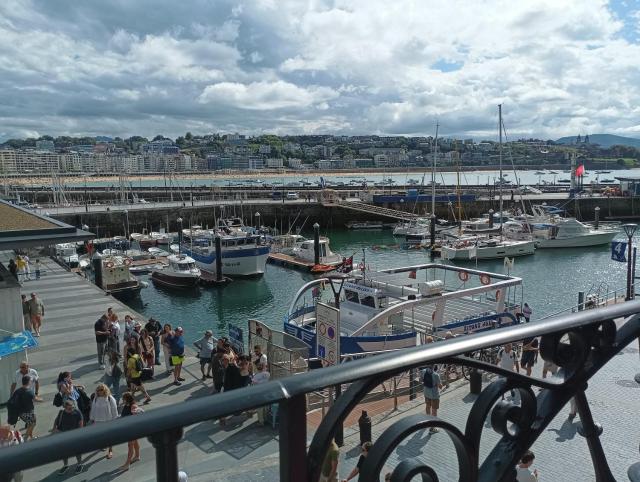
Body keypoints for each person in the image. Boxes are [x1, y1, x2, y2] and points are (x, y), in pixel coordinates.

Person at [53, 400, 84, 475]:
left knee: (77, 451)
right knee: (64, 452)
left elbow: (81, 423)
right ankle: (66, 465)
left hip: (74, 436)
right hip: (63, 436)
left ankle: (79, 464)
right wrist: (54, 429)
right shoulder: (61, 413)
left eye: (72, 407)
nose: (71, 409)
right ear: (65, 408)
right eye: (69, 408)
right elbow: (56, 421)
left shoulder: (77, 412)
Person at [90, 383, 119, 459]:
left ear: (105, 390)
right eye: (98, 390)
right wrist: (92, 418)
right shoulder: (96, 398)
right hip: (98, 420)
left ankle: (110, 450)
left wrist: (114, 420)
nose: (99, 391)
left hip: (108, 420)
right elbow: (93, 409)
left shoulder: (110, 398)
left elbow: (114, 409)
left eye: (101, 390)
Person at [119, 392, 143, 471]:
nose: (122, 400)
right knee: (135, 442)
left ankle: (127, 464)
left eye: (123, 399)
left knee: (130, 446)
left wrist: (135, 411)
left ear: (127, 399)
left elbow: (136, 413)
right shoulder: (127, 405)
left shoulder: (133, 406)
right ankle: (137, 456)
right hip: (129, 427)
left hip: (132, 429)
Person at [12, 376, 36, 440]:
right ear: (28, 382)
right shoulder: (29, 391)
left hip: (20, 412)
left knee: (29, 424)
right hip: (28, 411)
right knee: (32, 424)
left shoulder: (17, 391)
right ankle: (25, 439)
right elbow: (35, 399)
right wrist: (41, 399)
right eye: (31, 381)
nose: (31, 382)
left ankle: (31, 436)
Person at [422, 365, 443, 433]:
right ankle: (432, 428)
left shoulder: (423, 371)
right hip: (434, 395)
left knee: (428, 406)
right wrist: (439, 384)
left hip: (426, 393)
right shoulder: (436, 375)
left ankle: (428, 421)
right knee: (434, 411)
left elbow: (421, 380)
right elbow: (440, 386)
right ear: (434, 366)